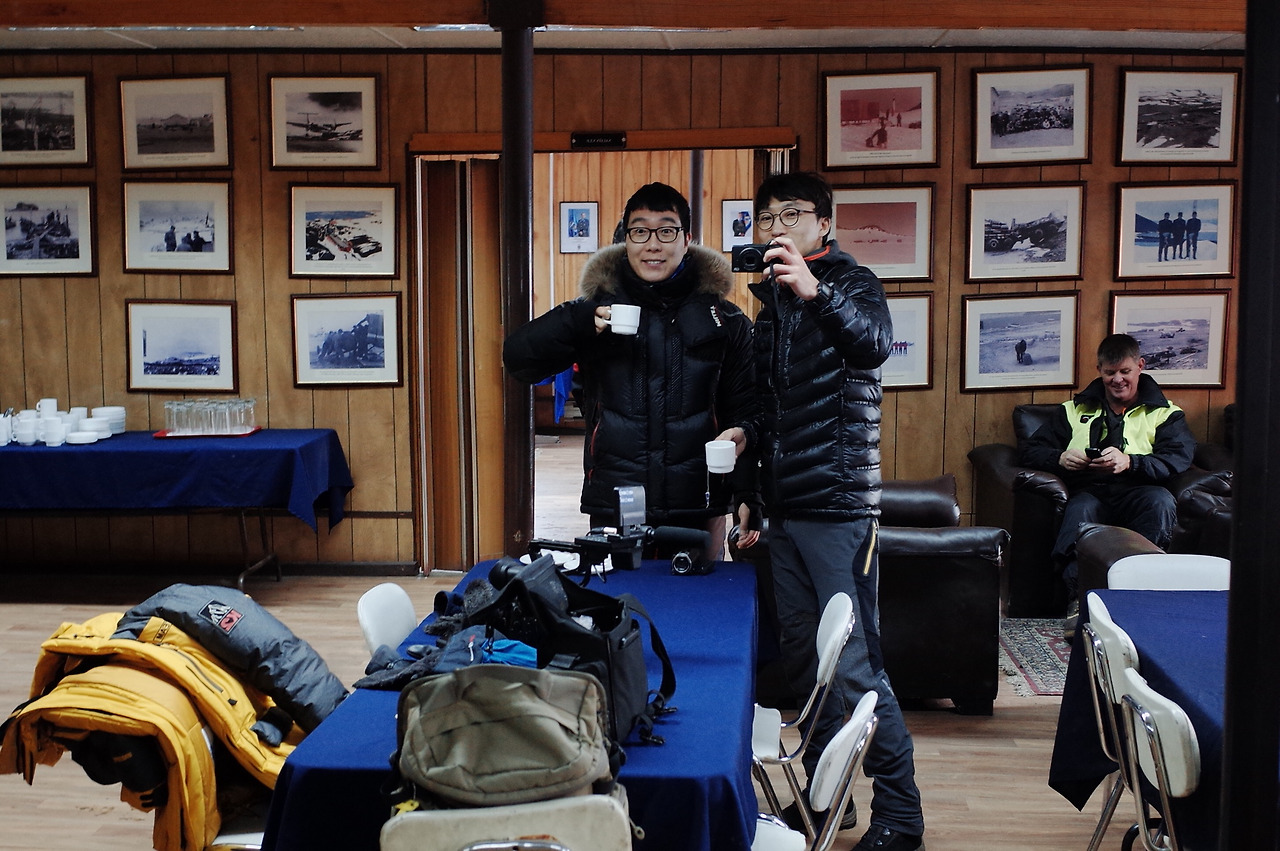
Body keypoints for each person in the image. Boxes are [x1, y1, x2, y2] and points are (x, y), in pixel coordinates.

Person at [735, 171, 925, 851]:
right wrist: (749, 473)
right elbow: (768, 409)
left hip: (840, 505)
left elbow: (872, 344)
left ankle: (900, 812)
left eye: (792, 214)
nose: (777, 227)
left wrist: (816, 291)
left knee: (852, 664)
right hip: (784, 509)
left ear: (824, 224)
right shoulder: (770, 307)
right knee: (801, 661)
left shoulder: (853, 283)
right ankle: (827, 799)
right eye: (767, 217)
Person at [503, 182, 756, 560]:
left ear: (686, 240)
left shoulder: (724, 320)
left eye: (666, 231)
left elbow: (746, 408)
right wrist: (577, 321)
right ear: (626, 240)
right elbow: (518, 360)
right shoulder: (595, 314)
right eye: (640, 231)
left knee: (697, 595)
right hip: (614, 503)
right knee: (618, 595)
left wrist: (748, 491)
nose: (653, 245)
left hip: (698, 503)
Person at [1020, 333, 1196, 636]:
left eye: (1125, 371)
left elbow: (1177, 458)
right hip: (1089, 490)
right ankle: (1079, 601)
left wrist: (1130, 462)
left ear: (1140, 366)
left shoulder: (1165, 413)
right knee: (1081, 511)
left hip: (1140, 488)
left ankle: (1138, 598)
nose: (1117, 380)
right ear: (1099, 370)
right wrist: (1059, 458)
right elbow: (1029, 451)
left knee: (1160, 502)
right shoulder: (1072, 410)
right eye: (1110, 372)